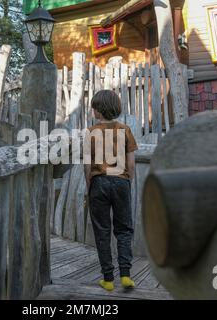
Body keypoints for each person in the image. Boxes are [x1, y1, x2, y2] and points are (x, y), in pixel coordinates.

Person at [84, 90, 138, 292]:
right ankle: (126, 275)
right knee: (124, 230)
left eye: (94, 107)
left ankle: (108, 279)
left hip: (99, 183)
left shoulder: (90, 132)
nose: (93, 110)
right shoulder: (125, 130)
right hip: (121, 182)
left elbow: (87, 166)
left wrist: (89, 186)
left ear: (98, 110)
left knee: (102, 231)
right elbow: (131, 165)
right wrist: (127, 183)